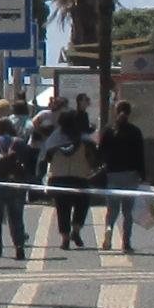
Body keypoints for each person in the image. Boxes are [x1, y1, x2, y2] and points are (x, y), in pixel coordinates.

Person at [0, 107, 32, 261]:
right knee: (17, 217)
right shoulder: (21, 144)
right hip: (17, 184)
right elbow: (29, 164)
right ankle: (19, 247)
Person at [43, 104, 99, 249]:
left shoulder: (54, 138)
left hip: (58, 177)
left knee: (62, 209)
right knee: (82, 205)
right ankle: (76, 230)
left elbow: (47, 158)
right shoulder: (85, 141)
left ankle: (65, 238)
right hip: (79, 177)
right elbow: (94, 159)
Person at [99, 105, 150, 253]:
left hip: (113, 174)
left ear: (115, 112)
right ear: (130, 113)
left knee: (112, 209)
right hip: (130, 175)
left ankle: (109, 229)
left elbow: (101, 151)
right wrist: (143, 175)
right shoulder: (135, 131)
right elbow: (140, 155)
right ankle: (126, 242)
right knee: (128, 211)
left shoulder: (109, 131)